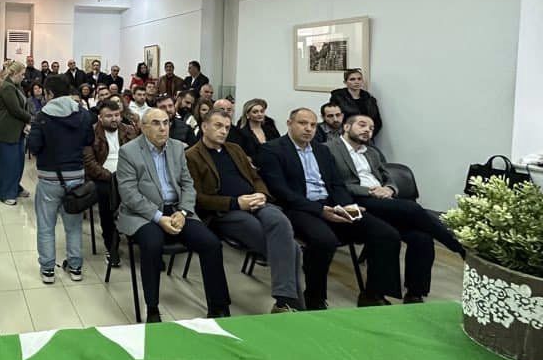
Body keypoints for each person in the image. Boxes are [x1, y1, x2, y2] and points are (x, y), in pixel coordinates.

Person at [257, 108, 402, 310]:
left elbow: (336, 184)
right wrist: (320, 211)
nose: (308, 129)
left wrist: (347, 206)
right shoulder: (272, 149)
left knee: (386, 234)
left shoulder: (322, 150)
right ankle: (314, 297)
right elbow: (281, 191)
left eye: (312, 125)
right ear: (289, 124)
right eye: (302, 123)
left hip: (332, 204)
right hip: (299, 208)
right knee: (324, 241)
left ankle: (373, 294)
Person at [327, 115, 463, 302]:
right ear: (347, 127)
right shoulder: (329, 149)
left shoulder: (372, 152)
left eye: (371, 128)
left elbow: (387, 177)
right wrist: (370, 191)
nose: (367, 130)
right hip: (357, 201)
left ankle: (415, 294)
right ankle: (457, 245)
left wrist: (389, 189)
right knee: (412, 209)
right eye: (362, 125)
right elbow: (335, 183)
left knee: (422, 238)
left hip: (383, 201)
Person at [116, 109, 231, 322]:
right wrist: (159, 217)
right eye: (156, 123)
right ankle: (152, 308)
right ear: (143, 127)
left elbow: (188, 184)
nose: (163, 128)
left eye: (166, 123)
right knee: (152, 244)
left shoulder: (177, 148)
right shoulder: (128, 152)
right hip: (143, 213)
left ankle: (219, 307)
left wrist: (184, 211)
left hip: (177, 210)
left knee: (211, 243)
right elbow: (129, 194)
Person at [187, 110, 304, 312]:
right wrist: (236, 203)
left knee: (280, 221)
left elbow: (256, 177)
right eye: (218, 126)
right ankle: (290, 303)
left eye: (226, 127)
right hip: (226, 212)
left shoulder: (235, 149)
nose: (223, 131)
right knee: (291, 249)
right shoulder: (192, 156)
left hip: (255, 202)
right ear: (204, 127)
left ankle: (284, 302)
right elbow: (198, 199)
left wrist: (261, 194)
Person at [28, 75, 95, 283]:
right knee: (74, 225)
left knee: (46, 225)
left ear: (49, 93)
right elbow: (89, 140)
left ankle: (48, 269)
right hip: (76, 176)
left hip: (49, 177)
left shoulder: (41, 116)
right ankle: (75, 267)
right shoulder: (83, 114)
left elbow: (34, 147)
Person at [84, 98, 135, 266]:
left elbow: (138, 156)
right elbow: (90, 163)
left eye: (117, 115)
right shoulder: (91, 133)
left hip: (128, 176)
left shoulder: (129, 130)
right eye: (109, 116)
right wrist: (112, 177)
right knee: (107, 198)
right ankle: (111, 244)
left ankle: (144, 242)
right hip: (104, 178)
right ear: (100, 117)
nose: (114, 119)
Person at [0, 60, 32, 205]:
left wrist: (27, 121)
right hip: (6, 129)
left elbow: (24, 105)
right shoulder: (7, 87)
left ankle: (15, 187)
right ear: (14, 73)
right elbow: (15, 110)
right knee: (8, 163)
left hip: (17, 129)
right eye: (22, 74)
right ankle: (6, 193)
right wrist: (31, 119)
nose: (23, 77)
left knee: (18, 162)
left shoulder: (17, 86)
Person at [329, 68, 383, 135]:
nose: (356, 82)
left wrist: (369, 134)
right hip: (345, 135)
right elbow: (333, 120)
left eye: (359, 79)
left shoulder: (369, 98)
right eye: (352, 79)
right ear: (345, 82)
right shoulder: (338, 97)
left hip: (366, 136)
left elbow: (377, 121)